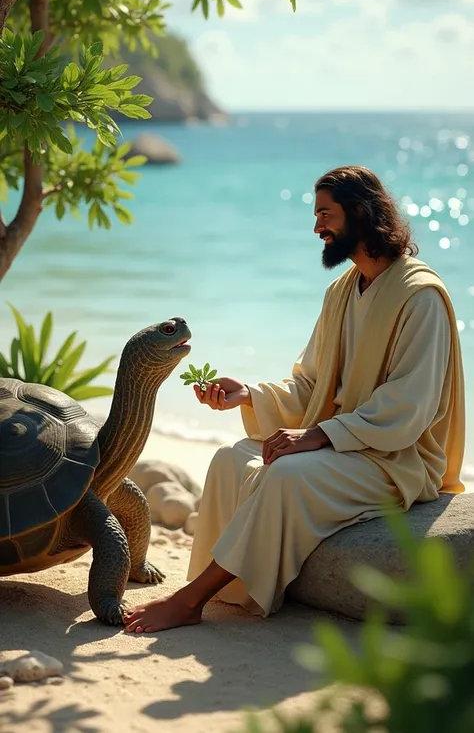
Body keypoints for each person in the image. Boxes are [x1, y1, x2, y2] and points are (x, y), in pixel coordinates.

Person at [124, 165, 465, 634]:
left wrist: (318, 435)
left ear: (361, 213)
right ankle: (232, 592)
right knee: (230, 459)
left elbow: (410, 405)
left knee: (284, 474)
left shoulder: (420, 297)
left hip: (397, 458)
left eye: (326, 214)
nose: (316, 227)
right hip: (346, 445)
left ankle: (191, 599)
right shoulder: (342, 292)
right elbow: (312, 383)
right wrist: (249, 395)